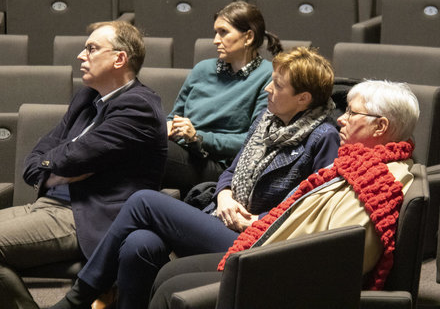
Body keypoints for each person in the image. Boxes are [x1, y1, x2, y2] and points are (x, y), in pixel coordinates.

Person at [48, 46, 340, 309]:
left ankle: (78, 297)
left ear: (303, 98)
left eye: (277, 84)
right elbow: (230, 171)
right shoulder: (268, 121)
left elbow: (311, 205)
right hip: (224, 219)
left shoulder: (323, 137)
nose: (267, 89)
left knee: (144, 201)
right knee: (140, 243)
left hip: (261, 239)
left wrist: (257, 219)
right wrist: (224, 195)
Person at [147, 80, 421, 309]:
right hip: (272, 247)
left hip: (284, 274)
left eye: (351, 113)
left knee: (171, 284)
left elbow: (339, 260)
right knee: (167, 269)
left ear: (380, 126)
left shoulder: (377, 182)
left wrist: (260, 245)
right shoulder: (358, 162)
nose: (341, 119)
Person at [0, 21, 168, 309]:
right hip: (47, 205)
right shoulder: (87, 97)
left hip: (84, 216)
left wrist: (56, 161)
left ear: (119, 58)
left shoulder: (139, 106)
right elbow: (39, 156)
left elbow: (72, 157)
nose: (81, 55)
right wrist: (53, 165)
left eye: (92, 48)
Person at [164, 1, 282, 196]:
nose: (215, 40)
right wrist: (168, 127)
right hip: (181, 151)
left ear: (248, 37)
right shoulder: (202, 69)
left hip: (219, 165)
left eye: (223, 32)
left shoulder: (267, 76)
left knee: (151, 151)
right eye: (215, 32)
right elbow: (173, 117)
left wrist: (198, 137)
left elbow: (254, 141)